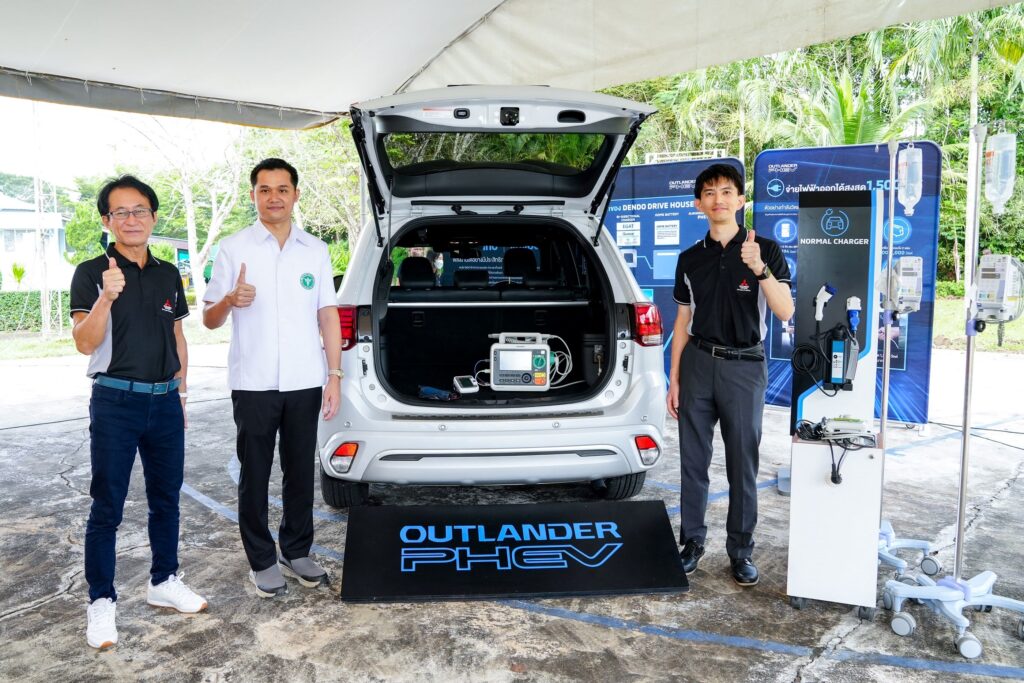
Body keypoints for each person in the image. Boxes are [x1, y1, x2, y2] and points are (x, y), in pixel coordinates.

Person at [70, 175, 207, 650]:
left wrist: (182, 395)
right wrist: (106, 296)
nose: (132, 219)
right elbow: (84, 342)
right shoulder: (92, 272)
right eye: (121, 212)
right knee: (107, 505)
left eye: (140, 210)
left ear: (153, 216)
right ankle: (101, 600)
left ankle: (164, 580)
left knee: (166, 498)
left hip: (165, 401)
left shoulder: (168, 273)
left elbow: (177, 337)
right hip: (115, 401)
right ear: (106, 220)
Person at [203, 158, 341, 598]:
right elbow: (209, 319)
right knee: (255, 474)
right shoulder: (233, 248)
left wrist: (334, 375)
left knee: (300, 471)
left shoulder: (315, 249)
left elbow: (327, 314)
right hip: (254, 381)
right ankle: (262, 559)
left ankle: (296, 551)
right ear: (253, 196)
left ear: (295, 194)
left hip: (305, 379)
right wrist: (229, 300)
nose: (274, 197)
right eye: (265, 190)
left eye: (282, 189)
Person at [666, 163, 794, 587]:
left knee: (742, 462)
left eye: (726, 192)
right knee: (693, 461)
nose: (717, 199)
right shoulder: (689, 258)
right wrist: (675, 378)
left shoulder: (765, 249)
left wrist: (760, 269)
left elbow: (785, 310)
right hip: (698, 364)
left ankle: (741, 551)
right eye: (709, 193)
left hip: (744, 367)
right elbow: (682, 321)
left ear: (741, 200)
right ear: (698, 204)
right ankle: (692, 542)